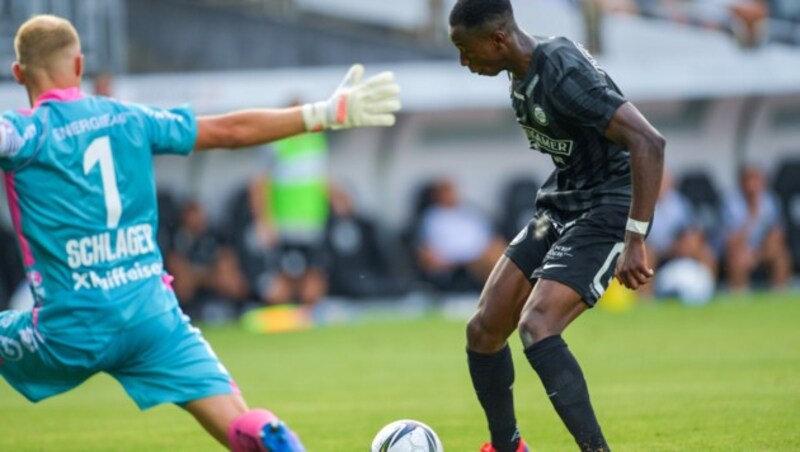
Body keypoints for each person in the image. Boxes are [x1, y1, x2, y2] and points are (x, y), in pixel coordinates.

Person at [0, 15, 399, 452]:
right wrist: (324, 112)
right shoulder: (130, 118)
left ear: (18, 73)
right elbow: (228, 131)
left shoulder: (24, 134)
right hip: (151, 316)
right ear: (79, 66)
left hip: (70, 327)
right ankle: (274, 441)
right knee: (241, 424)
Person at [448, 1, 665, 451]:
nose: (464, 62)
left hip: (608, 204)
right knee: (484, 330)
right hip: (563, 202)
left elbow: (648, 141)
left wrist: (636, 238)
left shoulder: (562, 71)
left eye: (465, 50)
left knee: (539, 323)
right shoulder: (519, 71)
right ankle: (506, 447)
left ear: (497, 39)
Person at [247, 101, 331, 307]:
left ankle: (307, 333)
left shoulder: (316, 139)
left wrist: (335, 198)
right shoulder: (276, 141)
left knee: (314, 288)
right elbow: (259, 184)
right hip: (284, 225)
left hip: (313, 223)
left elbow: (319, 177)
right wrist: (263, 221)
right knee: (280, 289)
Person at [416, 177, 506, 292]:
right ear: (437, 195)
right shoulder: (432, 217)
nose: (450, 195)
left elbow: (488, 235)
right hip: (451, 258)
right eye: (445, 192)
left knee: (502, 250)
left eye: (452, 191)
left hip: (479, 253)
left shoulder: (470, 212)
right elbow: (427, 246)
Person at [644, 171, 717, 299]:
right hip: (650, 247)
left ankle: (707, 293)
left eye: (663, 183)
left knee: (706, 253)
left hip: (675, 247)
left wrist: (683, 243)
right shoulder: (642, 203)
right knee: (645, 255)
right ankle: (645, 298)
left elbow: (690, 230)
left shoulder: (680, 203)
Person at [722, 164, 792, 292]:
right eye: (747, 180)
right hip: (741, 249)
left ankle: (780, 295)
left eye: (755, 180)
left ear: (762, 182)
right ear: (741, 183)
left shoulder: (770, 201)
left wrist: (758, 255)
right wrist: (752, 215)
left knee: (781, 255)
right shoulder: (731, 203)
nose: (751, 186)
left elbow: (776, 234)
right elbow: (732, 240)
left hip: (763, 250)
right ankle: (738, 298)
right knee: (738, 258)